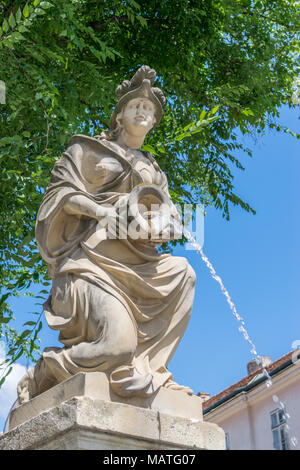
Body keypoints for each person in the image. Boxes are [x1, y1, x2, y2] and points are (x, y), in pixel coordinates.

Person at [17, 66, 196, 403]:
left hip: (139, 264)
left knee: (184, 272)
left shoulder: (154, 171)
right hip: (90, 264)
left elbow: (172, 221)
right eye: (135, 106)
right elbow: (59, 196)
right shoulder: (87, 152)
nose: (143, 111)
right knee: (117, 345)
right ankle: (45, 372)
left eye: (149, 109)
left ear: (155, 122)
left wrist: (157, 226)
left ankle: (151, 369)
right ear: (119, 115)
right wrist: (101, 211)